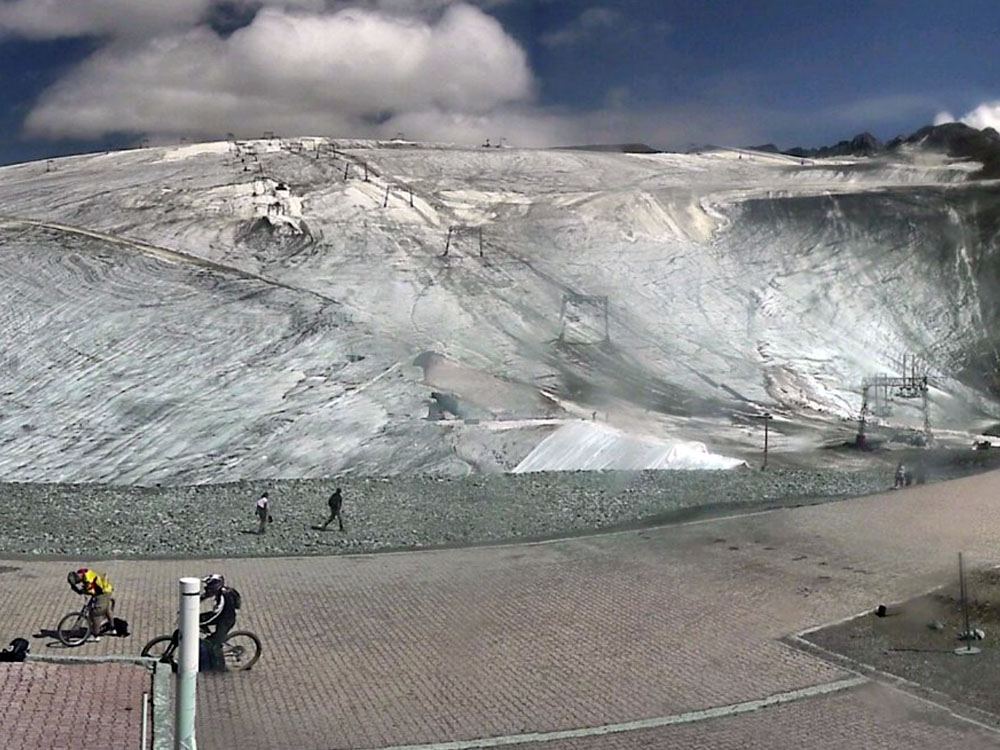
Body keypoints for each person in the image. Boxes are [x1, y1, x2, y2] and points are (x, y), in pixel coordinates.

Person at [200, 573, 241, 671]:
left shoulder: (224, 596)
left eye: (209, 585)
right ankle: (209, 635)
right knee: (199, 618)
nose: (206, 587)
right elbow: (204, 596)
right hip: (221, 616)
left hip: (226, 620)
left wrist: (204, 623)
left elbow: (216, 614)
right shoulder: (217, 591)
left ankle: (222, 667)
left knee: (215, 644)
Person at [67, 567, 114, 642]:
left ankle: (96, 636)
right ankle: (112, 628)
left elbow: (91, 591)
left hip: (103, 592)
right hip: (107, 586)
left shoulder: (88, 579)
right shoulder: (83, 572)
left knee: (95, 614)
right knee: (106, 608)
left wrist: (80, 591)